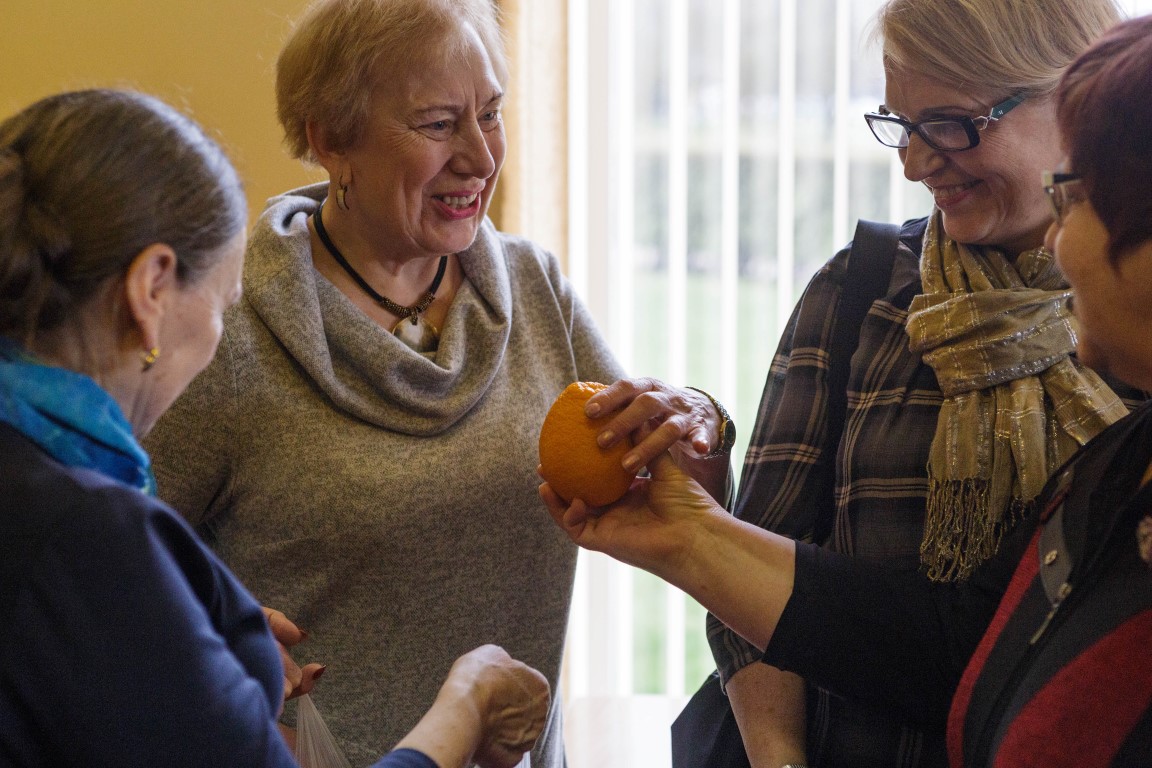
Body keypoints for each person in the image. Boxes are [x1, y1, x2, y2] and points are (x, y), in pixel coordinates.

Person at [543, 14, 1152, 766]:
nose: (915, 163)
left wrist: (699, 540)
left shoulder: (1125, 343)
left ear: (1069, 101)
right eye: (901, 125)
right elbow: (787, 595)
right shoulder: (862, 289)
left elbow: (970, 648)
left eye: (952, 124)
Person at [143, 0, 733, 764]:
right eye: (438, 123)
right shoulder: (232, 328)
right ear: (331, 139)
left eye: (490, 114)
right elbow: (116, 577)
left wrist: (699, 425)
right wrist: (221, 655)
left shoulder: (533, 288)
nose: (481, 158)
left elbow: (675, 501)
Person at [0, 88, 551, 768]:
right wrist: (467, 706)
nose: (216, 338)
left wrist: (185, 639)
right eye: (220, 306)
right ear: (151, 290)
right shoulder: (88, 537)